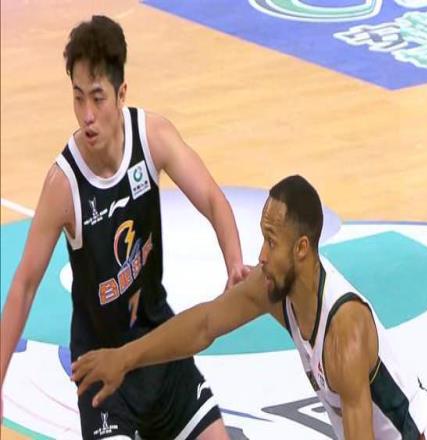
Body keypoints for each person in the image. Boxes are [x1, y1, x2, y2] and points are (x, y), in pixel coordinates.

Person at [0, 15, 249, 440]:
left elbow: (212, 198)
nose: (87, 115)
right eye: (78, 98)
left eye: (98, 98)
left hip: (160, 348)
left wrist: (235, 263)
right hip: (102, 374)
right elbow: (24, 285)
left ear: (121, 94)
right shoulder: (63, 184)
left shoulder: (152, 137)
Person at [73, 175, 427, 440]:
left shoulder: (345, 332)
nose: (261, 256)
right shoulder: (276, 288)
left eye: (272, 242)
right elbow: (204, 324)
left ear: (301, 248)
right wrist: (125, 357)